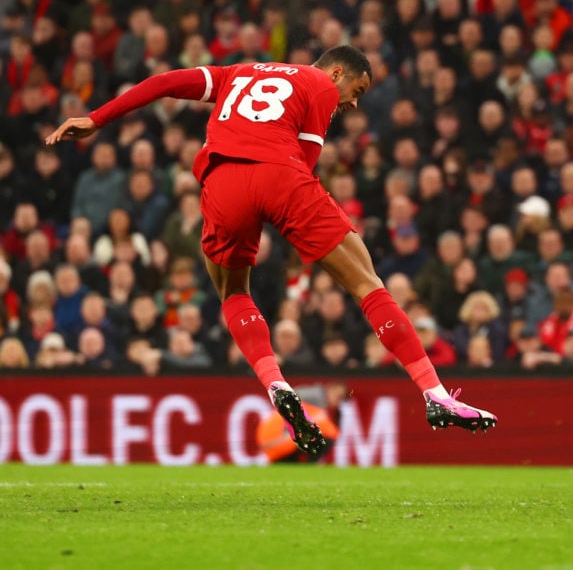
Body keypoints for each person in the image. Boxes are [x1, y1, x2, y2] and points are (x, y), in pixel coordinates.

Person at [46, 45, 496, 458]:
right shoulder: (319, 84)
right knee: (365, 281)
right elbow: (302, 164)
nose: (354, 103)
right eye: (356, 90)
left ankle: (275, 382)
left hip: (222, 178)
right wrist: (296, 229)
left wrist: (98, 118)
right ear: (337, 71)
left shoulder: (234, 73)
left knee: (233, 291)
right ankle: (434, 394)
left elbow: (163, 83)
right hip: (280, 174)